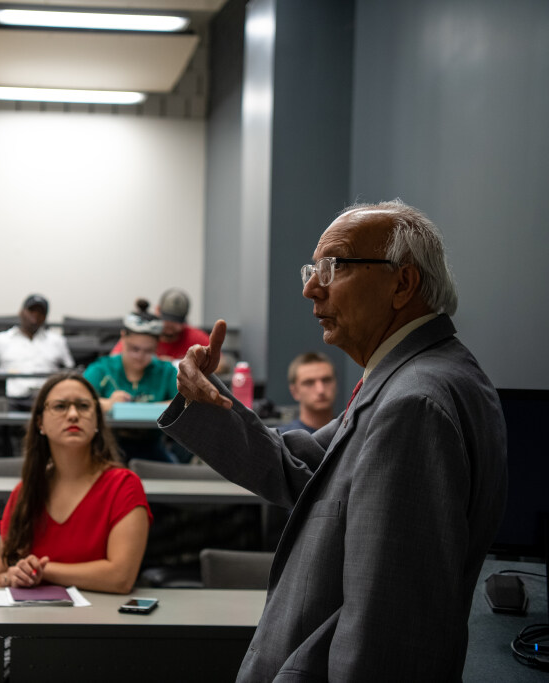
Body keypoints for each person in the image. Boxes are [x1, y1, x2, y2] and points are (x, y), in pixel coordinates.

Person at [160, 200, 508, 681]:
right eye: (312, 269)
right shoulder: (408, 379)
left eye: (333, 267)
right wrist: (203, 398)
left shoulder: (415, 403)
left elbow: (385, 633)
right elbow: (299, 467)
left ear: (402, 283)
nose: (310, 288)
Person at [0, 372, 151, 594]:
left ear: (97, 420)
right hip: (32, 621)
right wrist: (13, 576)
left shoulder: (124, 486)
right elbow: (0, 576)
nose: (73, 415)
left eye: (83, 406)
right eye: (60, 407)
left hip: (98, 622)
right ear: (40, 422)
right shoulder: (24, 492)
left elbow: (120, 578)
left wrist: (43, 571)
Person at [84, 304, 178, 462]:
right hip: (109, 447)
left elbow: (187, 405)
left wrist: (152, 408)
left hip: (152, 447)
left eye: (148, 351)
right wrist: (109, 404)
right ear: (123, 337)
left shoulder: (166, 371)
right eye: (134, 349)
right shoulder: (102, 368)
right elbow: (78, 400)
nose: (140, 356)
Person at [0, 294, 74, 409]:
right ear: (21, 312)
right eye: (31, 310)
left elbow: (70, 374)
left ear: (45, 317)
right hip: (10, 401)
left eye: (41, 312)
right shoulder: (0, 340)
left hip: (46, 401)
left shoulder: (57, 342)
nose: (35, 315)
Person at [110, 289, 211, 361]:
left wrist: (179, 364)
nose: (170, 325)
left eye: (176, 321)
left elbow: (220, 364)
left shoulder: (194, 337)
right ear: (157, 310)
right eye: (167, 319)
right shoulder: (145, 333)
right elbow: (115, 358)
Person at [276, 351, 336, 434]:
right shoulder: (283, 440)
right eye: (309, 383)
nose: (320, 390)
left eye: (326, 380)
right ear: (294, 392)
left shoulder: (352, 433)